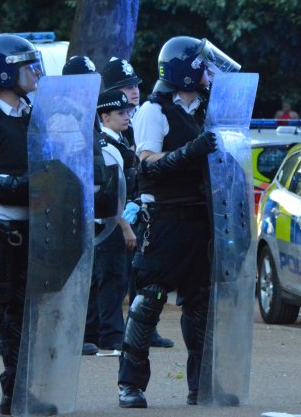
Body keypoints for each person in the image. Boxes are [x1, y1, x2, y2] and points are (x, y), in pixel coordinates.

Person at [117, 36, 228, 409]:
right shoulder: (154, 110)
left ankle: (200, 386)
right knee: (148, 302)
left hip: (200, 220)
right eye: (203, 66)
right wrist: (188, 152)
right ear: (186, 72)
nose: (209, 73)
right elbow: (146, 161)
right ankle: (130, 386)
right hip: (165, 220)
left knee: (199, 306)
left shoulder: (205, 109)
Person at [0, 34, 44, 415]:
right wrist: (13, 186)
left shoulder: (33, 117)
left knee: (23, 317)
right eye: (26, 65)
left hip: (32, 229)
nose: (35, 72)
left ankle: (16, 393)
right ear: (6, 72)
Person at [100, 56, 174, 350]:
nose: (133, 92)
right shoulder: (111, 119)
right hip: (120, 212)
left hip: (142, 206)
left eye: (134, 86)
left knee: (142, 272)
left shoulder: (138, 118)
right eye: (125, 86)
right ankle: (112, 332)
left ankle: (144, 327)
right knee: (115, 275)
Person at [84, 89, 139, 354]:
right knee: (110, 278)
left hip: (115, 222)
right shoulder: (104, 147)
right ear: (104, 117)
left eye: (127, 111)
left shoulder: (118, 142)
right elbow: (109, 195)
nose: (126, 117)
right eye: (120, 113)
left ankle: (101, 332)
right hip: (108, 225)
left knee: (114, 278)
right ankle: (111, 334)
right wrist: (125, 226)